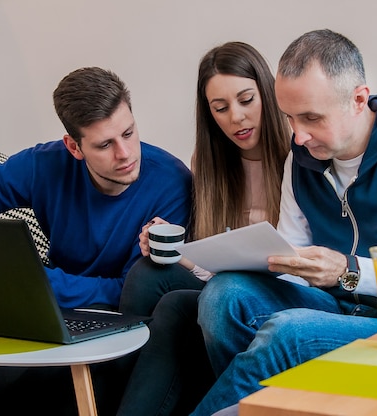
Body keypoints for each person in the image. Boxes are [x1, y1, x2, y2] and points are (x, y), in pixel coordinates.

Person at [191, 29, 377, 415]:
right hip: (342, 312)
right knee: (222, 297)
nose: (297, 136)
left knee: (290, 333)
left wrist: (348, 272)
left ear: (358, 99)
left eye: (312, 117)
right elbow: (293, 264)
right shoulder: (300, 162)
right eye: (289, 118)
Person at [0, 67, 192, 414]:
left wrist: (36, 282)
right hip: (50, 309)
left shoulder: (171, 181)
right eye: (105, 144)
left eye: (128, 132)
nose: (125, 154)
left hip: (121, 321)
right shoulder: (41, 164)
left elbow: (133, 289)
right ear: (74, 147)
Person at [116, 41, 291, 415]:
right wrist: (179, 251)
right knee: (147, 273)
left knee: (176, 306)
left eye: (246, 100)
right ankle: (117, 396)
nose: (236, 118)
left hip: (281, 287)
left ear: (268, 93)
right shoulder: (209, 162)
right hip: (225, 284)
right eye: (221, 108)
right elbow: (212, 270)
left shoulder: (297, 152)